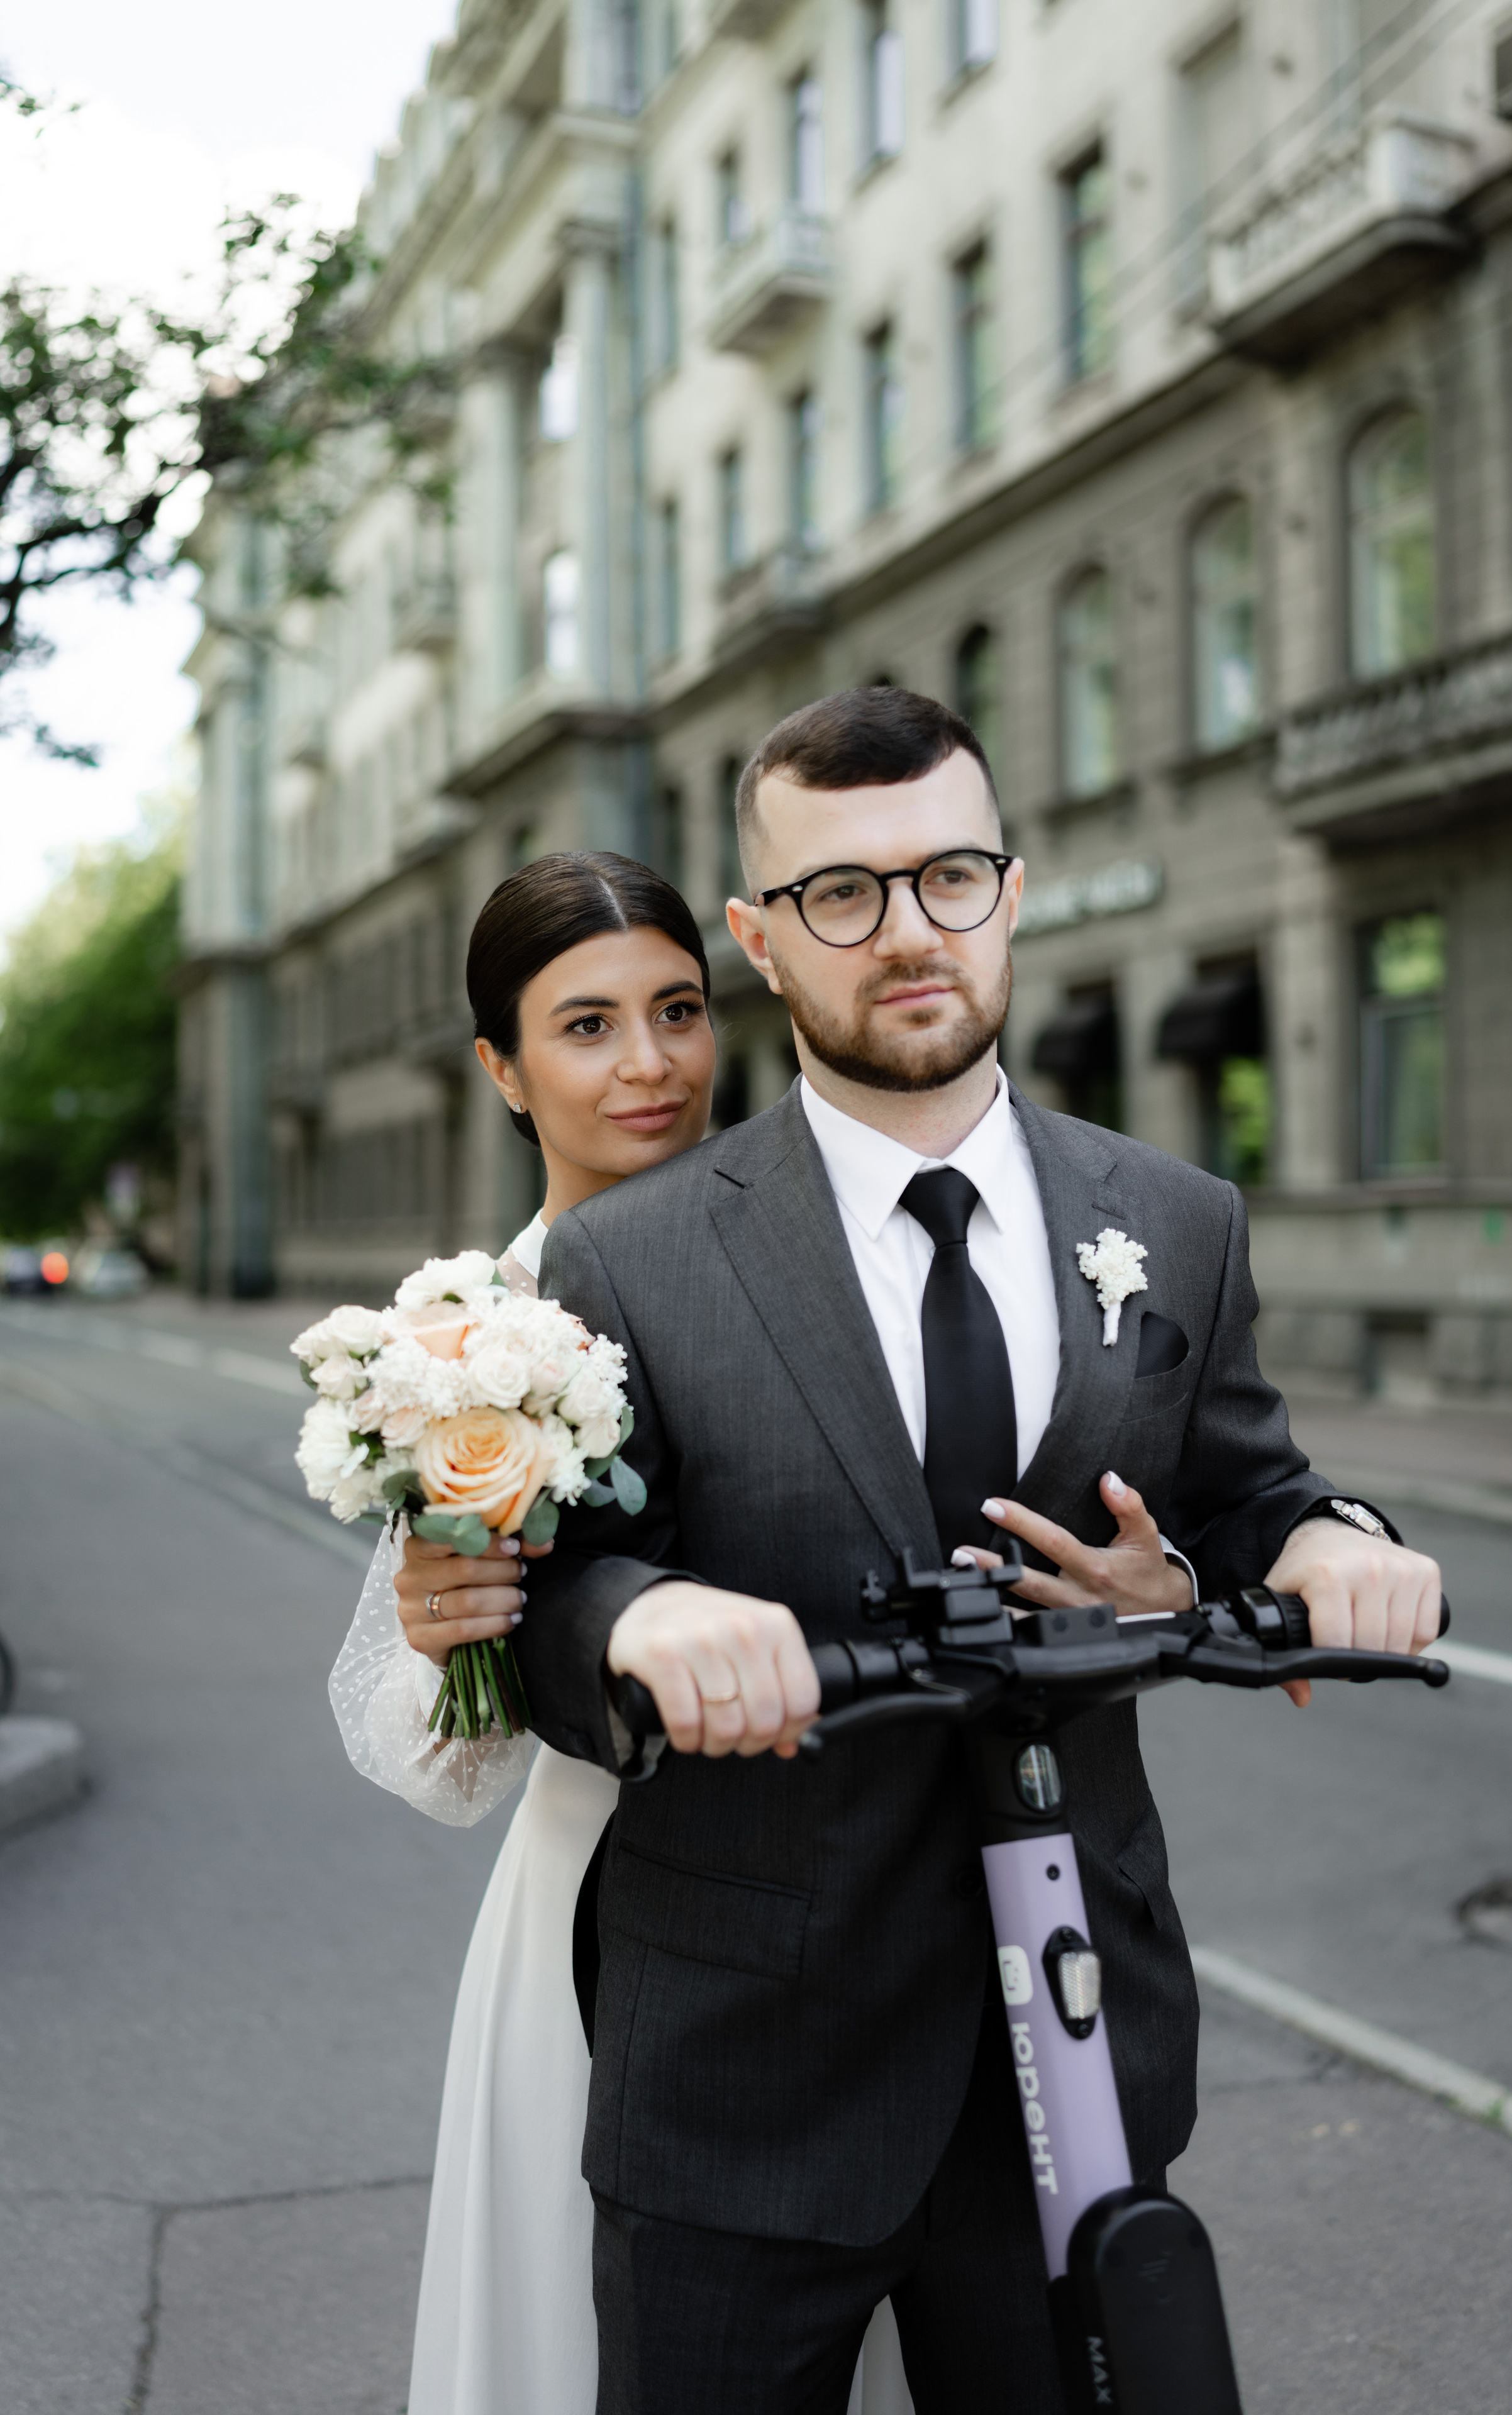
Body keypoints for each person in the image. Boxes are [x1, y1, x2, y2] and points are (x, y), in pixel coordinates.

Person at [501, 688, 1443, 2415]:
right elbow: (551, 1601)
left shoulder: (1176, 1219)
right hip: (743, 2073)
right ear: (763, 942)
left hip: (1075, 2054)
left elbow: (1251, 1487)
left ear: (1011, 889)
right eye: (843, 896)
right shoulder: (629, 1263)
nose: (910, 933)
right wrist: (643, 1622)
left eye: (950, 877)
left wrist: (1339, 1542)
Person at [329, 850, 914, 2415]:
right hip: (618, 1916)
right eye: (584, 1028)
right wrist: (449, 1626)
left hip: (891, 1894)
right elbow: (438, 1753)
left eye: (675, 1010)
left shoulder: (839, 1248)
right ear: (501, 1072)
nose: (649, 1065)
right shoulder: (474, 1336)